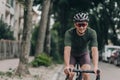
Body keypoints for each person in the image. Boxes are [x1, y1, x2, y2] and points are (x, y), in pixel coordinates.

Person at [64, 12, 99, 80]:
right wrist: (67, 66)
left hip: (84, 54)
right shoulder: (69, 33)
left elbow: (94, 50)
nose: (81, 27)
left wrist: (95, 66)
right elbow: (67, 50)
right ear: (75, 25)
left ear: (87, 24)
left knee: (86, 74)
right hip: (72, 55)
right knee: (71, 74)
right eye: (79, 25)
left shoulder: (92, 33)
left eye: (84, 24)